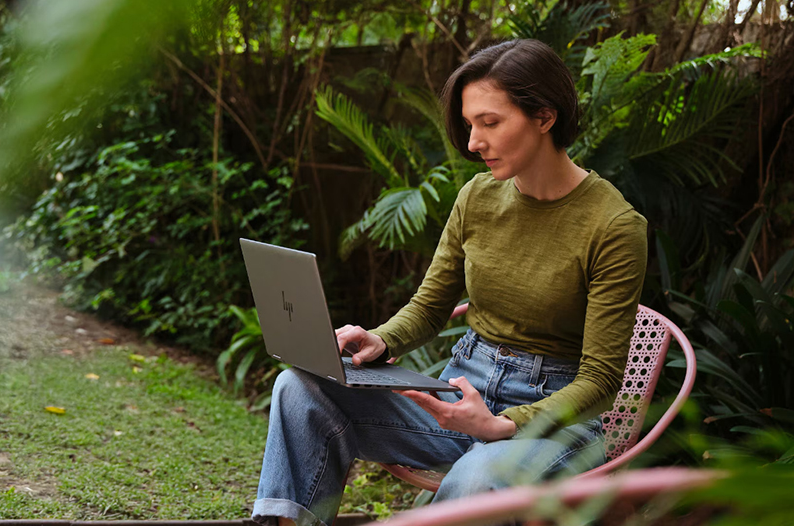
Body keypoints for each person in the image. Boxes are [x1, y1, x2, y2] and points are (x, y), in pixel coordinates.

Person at [251, 38, 648, 526]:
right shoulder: (478, 196)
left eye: (490, 123)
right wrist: (380, 339)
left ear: (544, 117)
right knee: (300, 390)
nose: (472, 142)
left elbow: (603, 381)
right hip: (459, 396)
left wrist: (504, 424)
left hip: (553, 424)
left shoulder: (614, 226)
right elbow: (429, 306)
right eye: (468, 125)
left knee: (479, 479)